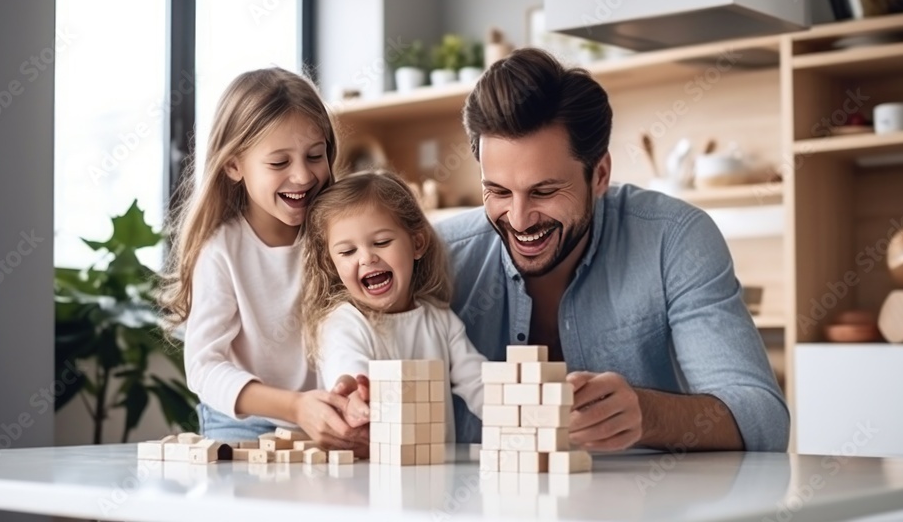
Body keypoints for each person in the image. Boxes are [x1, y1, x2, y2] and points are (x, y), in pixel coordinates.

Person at [434, 48, 789, 452]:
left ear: (600, 174)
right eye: (497, 191)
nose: (518, 218)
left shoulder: (673, 240)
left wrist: (646, 414)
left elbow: (765, 421)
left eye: (544, 191)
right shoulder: (440, 258)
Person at [157, 67, 366, 448]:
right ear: (234, 165)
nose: (303, 176)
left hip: (324, 418)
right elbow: (204, 367)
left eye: (315, 155)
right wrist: (296, 406)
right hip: (243, 422)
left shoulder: (340, 235)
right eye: (279, 163)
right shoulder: (222, 251)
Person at [299, 169, 485, 441]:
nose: (366, 258)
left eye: (381, 242)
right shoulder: (344, 322)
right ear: (331, 264)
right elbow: (350, 372)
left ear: (417, 243)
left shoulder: (440, 320)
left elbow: (479, 385)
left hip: (438, 476)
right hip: (372, 477)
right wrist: (356, 397)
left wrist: (533, 409)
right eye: (348, 251)